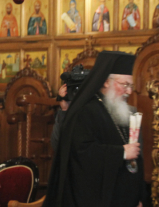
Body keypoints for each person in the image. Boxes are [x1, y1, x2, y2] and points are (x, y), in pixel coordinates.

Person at [43, 51, 145, 207]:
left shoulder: (122, 112)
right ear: (106, 82)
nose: (129, 91)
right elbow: (81, 152)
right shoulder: (85, 111)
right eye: (124, 84)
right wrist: (122, 152)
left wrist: (137, 197)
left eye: (130, 86)